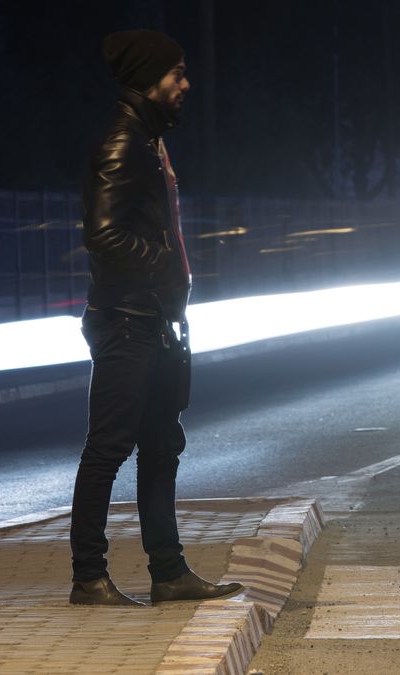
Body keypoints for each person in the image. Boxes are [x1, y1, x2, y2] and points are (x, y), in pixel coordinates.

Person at [68, 29, 242, 607]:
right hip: (126, 319)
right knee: (108, 448)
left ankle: (169, 574)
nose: (186, 84)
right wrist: (163, 266)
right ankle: (88, 578)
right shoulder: (123, 143)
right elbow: (104, 234)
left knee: (163, 445)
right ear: (150, 79)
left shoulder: (150, 141)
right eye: (177, 74)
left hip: (156, 318)